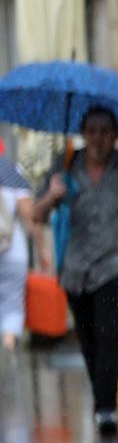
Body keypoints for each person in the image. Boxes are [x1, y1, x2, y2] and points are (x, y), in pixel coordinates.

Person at [31, 108, 118, 433]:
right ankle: (102, 396)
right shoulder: (66, 164)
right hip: (75, 268)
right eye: (92, 130)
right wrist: (52, 195)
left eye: (106, 131)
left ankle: (106, 408)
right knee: (89, 339)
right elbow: (36, 214)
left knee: (108, 333)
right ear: (83, 133)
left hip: (116, 263)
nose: (99, 138)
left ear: (115, 134)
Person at [0, 151, 35, 352]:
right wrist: (41, 247)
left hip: (13, 256)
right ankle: (8, 345)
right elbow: (27, 215)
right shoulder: (12, 171)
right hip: (14, 252)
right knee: (12, 306)